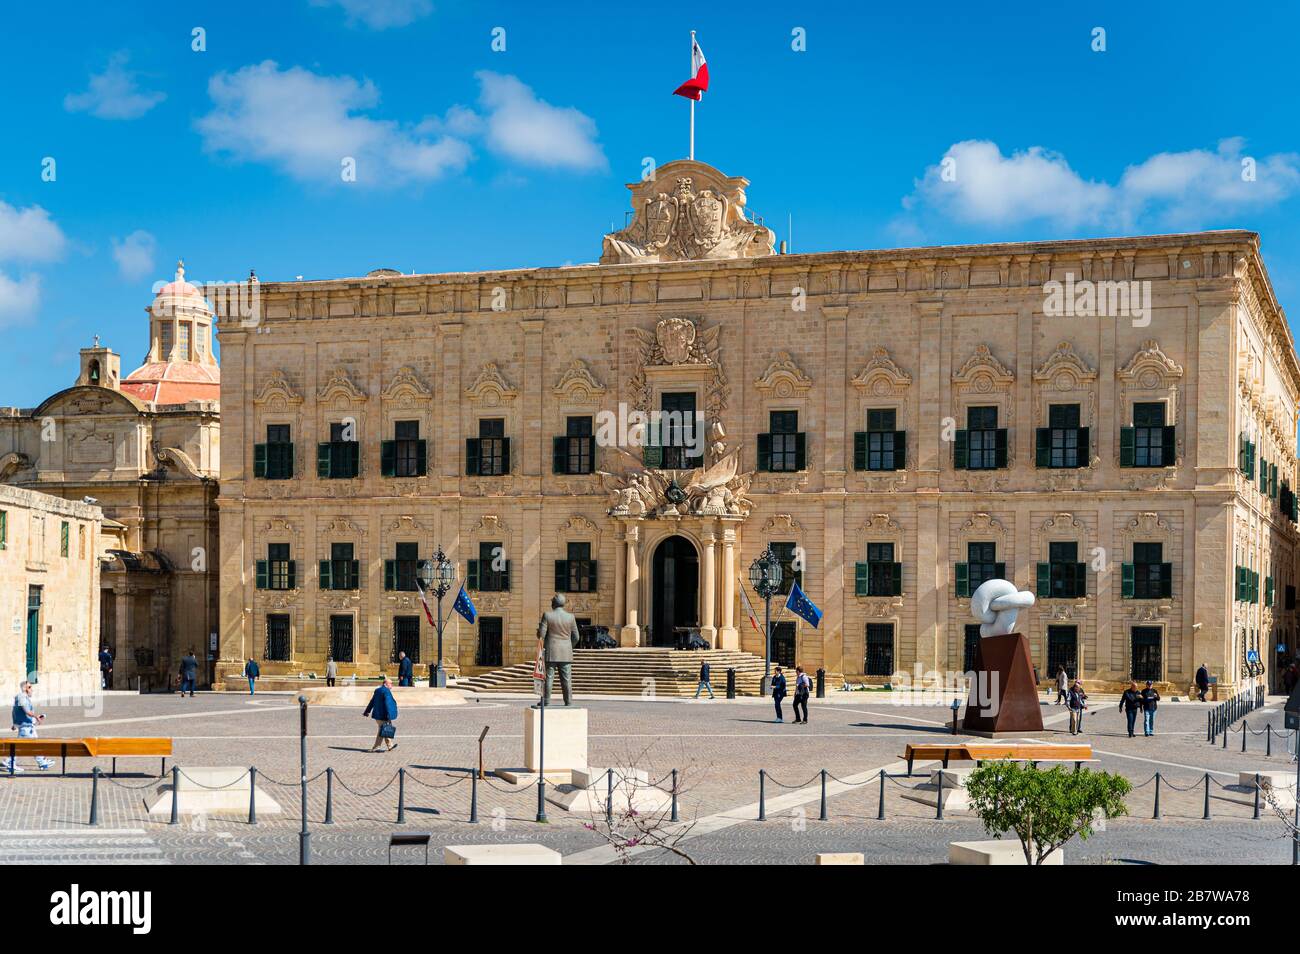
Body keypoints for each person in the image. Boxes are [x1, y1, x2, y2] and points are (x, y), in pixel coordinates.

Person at [536, 593, 579, 706]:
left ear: (554, 603)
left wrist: (539, 630)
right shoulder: (571, 617)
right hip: (566, 652)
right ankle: (569, 702)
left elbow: (542, 635)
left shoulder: (547, 615)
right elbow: (576, 637)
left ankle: (546, 701)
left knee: (549, 677)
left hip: (551, 651)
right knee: (567, 679)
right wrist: (569, 646)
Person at [7, 681, 53, 773]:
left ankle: (42, 762)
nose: (32, 689)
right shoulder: (22, 697)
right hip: (26, 729)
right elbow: (26, 711)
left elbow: (16, 712)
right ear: (25, 689)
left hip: (27, 727)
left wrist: (15, 724)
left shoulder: (20, 698)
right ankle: (9, 762)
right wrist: (35, 717)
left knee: (32, 745)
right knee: (29, 746)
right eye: (30, 687)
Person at [363, 676, 398, 752]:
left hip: (377, 715)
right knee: (383, 730)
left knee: (382, 729)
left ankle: (388, 746)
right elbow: (388, 703)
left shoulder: (377, 690)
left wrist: (367, 711)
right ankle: (378, 747)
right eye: (390, 683)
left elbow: (372, 701)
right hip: (383, 715)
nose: (392, 685)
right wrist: (389, 715)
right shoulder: (386, 691)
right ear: (385, 684)